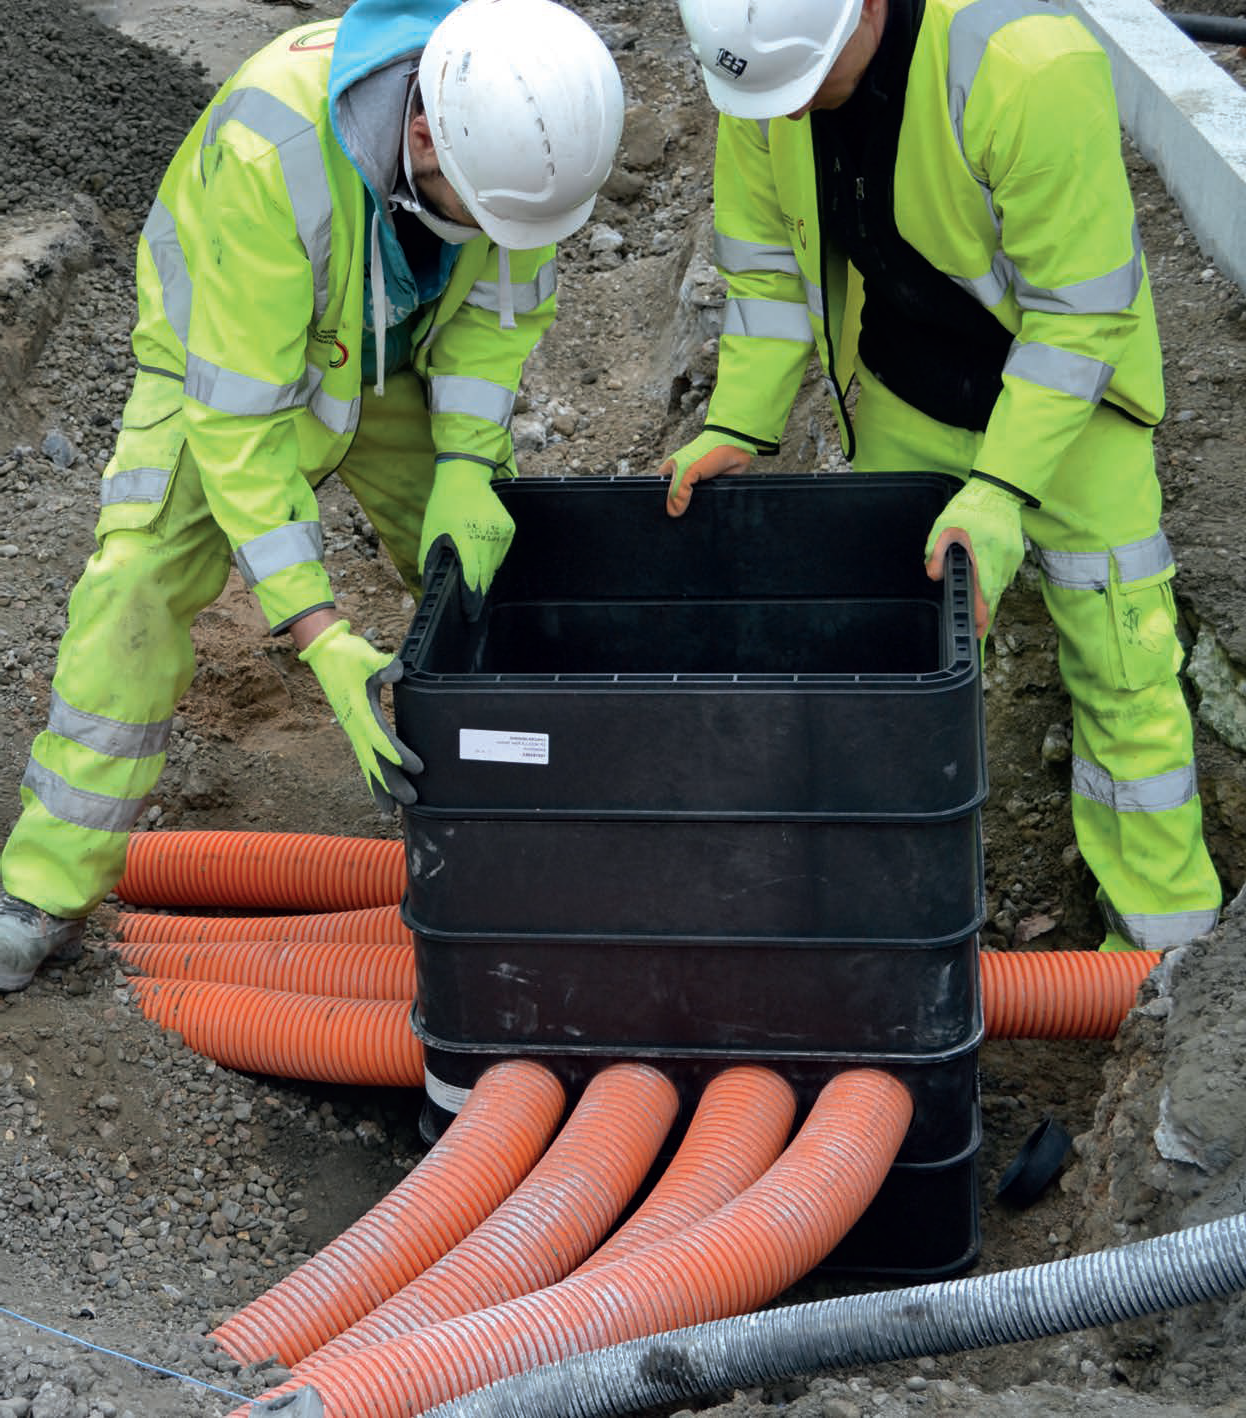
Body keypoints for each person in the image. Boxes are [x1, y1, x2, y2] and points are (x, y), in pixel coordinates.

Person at [0, 0, 624, 991]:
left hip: (387, 346)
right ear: (421, 132)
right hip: (222, 365)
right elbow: (243, 426)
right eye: (479, 210)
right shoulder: (271, 149)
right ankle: (40, 891)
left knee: (489, 562)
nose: (496, 232)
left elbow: (498, 306)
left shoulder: (518, 114)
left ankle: (545, 813)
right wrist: (321, 631)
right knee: (136, 588)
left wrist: (465, 458)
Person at [662, 0, 1222, 952]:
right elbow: (763, 275)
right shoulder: (764, 77)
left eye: (811, 90)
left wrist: (1002, 490)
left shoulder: (1027, 66)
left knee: (1126, 672)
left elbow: (1081, 314)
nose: (790, 120)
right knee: (897, 673)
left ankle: (1165, 965)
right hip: (905, 391)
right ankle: (896, 925)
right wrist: (738, 424)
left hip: (1072, 407)